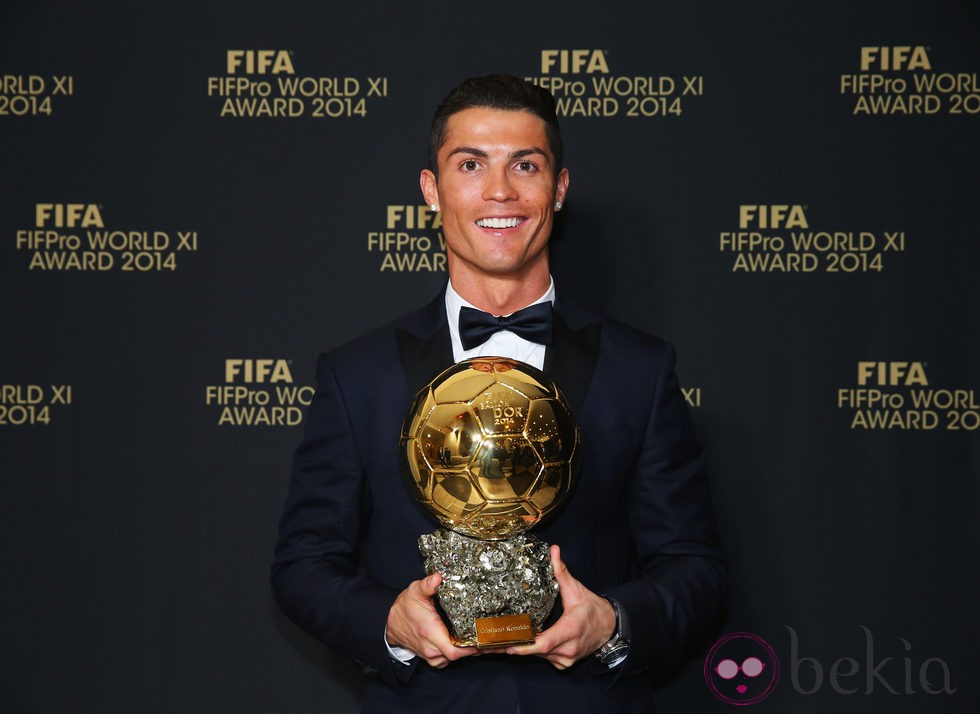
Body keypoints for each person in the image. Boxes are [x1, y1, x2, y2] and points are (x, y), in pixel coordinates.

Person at [272, 74, 727, 714]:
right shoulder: (358, 375)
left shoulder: (640, 369)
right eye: (470, 164)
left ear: (559, 188)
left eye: (526, 165)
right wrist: (391, 624)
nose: (499, 192)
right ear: (431, 190)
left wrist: (613, 623)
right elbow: (302, 566)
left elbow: (696, 568)